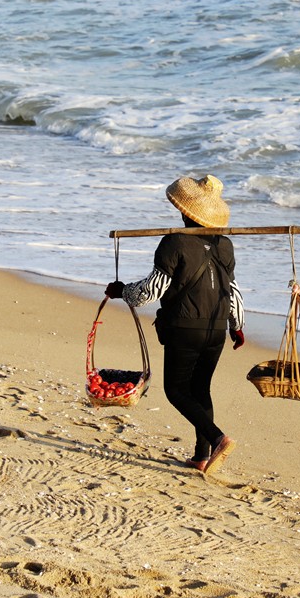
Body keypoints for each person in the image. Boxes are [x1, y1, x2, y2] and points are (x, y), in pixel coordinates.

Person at [104, 175, 245, 476]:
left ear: (185, 212)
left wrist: (122, 292)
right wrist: (237, 325)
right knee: (201, 390)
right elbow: (231, 290)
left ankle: (219, 438)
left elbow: (153, 290)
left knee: (176, 390)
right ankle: (201, 457)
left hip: (185, 327)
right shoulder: (225, 245)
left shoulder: (174, 242)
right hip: (217, 327)